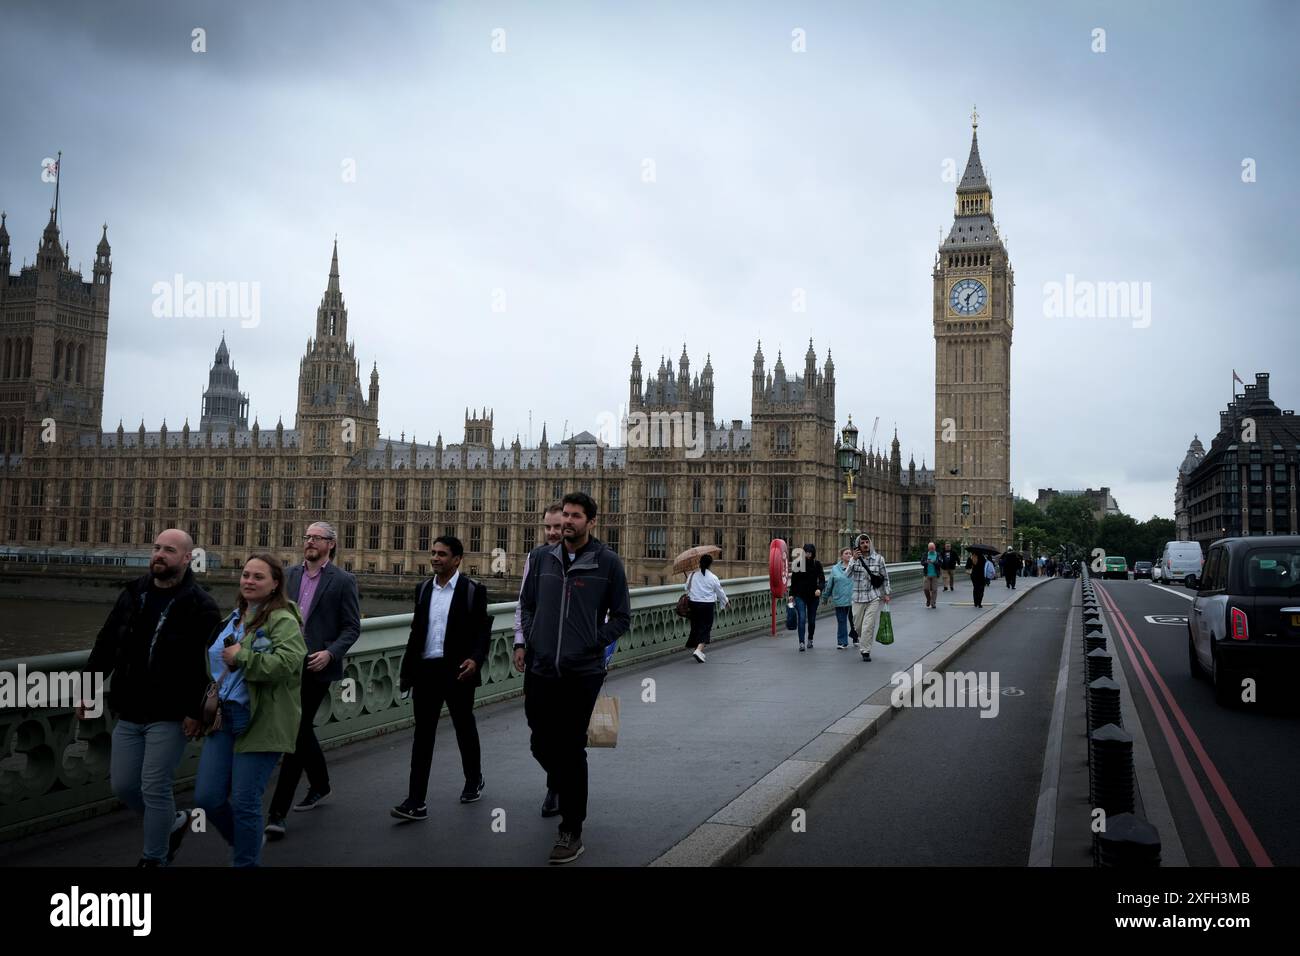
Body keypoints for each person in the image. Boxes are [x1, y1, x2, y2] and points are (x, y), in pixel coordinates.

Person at [82, 529, 221, 867]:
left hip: (172, 714)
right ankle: (173, 823)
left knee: (155, 786)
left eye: (168, 550)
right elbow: (106, 644)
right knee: (125, 787)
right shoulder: (133, 594)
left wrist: (195, 711)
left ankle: (154, 858)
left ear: (187, 558)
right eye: (156, 548)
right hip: (130, 708)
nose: (159, 554)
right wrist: (87, 689)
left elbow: (212, 666)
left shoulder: (201, 605)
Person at [519, 492, 631, 864]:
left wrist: (590, 645)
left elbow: (621, 617)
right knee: (539, 740)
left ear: (591, 522)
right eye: (564, 515)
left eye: (575, 516)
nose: (567, 521)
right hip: (541, 667)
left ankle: (571, 828)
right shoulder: (540, 558)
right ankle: (566, 787)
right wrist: (532, 640)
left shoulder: (608, 563)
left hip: (581, 672)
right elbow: (528, 604)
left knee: (569, 747)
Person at [194, 553, 306, 867]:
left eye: (258, 577)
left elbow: (288, 663)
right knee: (208, 798)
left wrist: (242, 657)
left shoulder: (283, 618)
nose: (249, 581)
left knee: (245, 802)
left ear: (275, 585)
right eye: (246, 575)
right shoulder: (234, 616)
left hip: (259, 719)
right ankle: (248, 842)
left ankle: (245, 862)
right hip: (222, 718)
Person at [265, 521, 361, 841]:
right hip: (286, 664)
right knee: (301, 729)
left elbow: (351, 627)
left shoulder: (344, 580)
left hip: (317, 666)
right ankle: (320, 784)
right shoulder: (288, 575)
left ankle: (277, 813)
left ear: (331, 544)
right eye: (307, 537)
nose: (309, 541)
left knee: (294, 734)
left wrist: (331, 654)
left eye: (316, 538)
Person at [392, 535, 491, 821]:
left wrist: (476, 659)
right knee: (422, 737)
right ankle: (415, 800)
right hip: (426, 671)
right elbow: (415, 632)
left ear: (457, 559)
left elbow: (482, 631)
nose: (435, 558)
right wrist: (407, 672)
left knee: (464, 727)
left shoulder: (473, 590)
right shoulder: (422, 589)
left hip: (458, 670)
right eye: (433, 553)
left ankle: (473, 779)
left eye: (442, 554)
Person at [513, 503, 566, 817]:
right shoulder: (536, 558)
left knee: (565, 731)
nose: (552, 532)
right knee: (537, 729)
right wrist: (521, 641)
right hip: (539, 655)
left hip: (572, 661)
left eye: (558, 526)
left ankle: (557, 788)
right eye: (548, 526)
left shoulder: (591, 559)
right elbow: (524, 602)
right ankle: (559, 778)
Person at [846, 533, 891, 662]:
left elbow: (885, 577)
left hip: (873, 596)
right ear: (858, 546)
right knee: (858, 626)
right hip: (858, 597)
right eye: (862, 543)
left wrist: (886, 593)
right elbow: (847, 575)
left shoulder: (878, 559)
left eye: (867, 542)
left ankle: (865, 651)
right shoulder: (854, 559)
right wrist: (853, 559)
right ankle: (864, 638)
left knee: (868, 625)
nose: (865, 544)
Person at [684, 553, 729, 662]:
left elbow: (686, 588)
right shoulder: (713, 577)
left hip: (693, 604)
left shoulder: (692, 575)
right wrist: (726, 602)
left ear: (700, 563)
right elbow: (720, 592)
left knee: (696, 627)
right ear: (710, 564)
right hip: (707, 605)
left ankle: (698, 651)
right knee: (705, 628)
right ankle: (699, 650)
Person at [789, 543, 826, 651]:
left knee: (812, 620)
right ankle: (801, 642)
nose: (808, 555)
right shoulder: (797, 564)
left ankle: (810, 638)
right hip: (800, 596)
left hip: (813, 596)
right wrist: (791, 595)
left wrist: (819, 588)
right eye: (806, 552)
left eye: (810, 553)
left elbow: (822, 579)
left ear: (813, 553)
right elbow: (794, 582)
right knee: (801, 618)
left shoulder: (817, 564)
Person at [827, 547, 856, 647]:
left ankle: (855, 637)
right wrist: (825, 597)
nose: (848, 555)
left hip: (854, 598)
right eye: (846, 553)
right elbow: (830, 584)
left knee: (855, 621)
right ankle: (842, 642)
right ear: (841, 556)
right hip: (839, 598)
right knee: (841, 621)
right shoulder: (835, 569)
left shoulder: (856, 567)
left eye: (850, 553)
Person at [921, 541, 941, 608]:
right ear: (928, 548)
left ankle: (933, 603)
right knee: (926, 589)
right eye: (930, 548)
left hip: (935, 574)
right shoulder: (925, 554)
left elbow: (940, 563)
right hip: (927, 574)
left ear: (934, 548)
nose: (932, 549)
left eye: (932, 548)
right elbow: (922, 563)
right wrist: (926, 562)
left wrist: (934, 562)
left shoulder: (938, 554)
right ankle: (928, 600)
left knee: (934, 590)